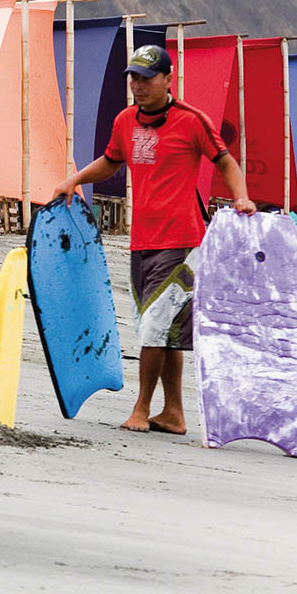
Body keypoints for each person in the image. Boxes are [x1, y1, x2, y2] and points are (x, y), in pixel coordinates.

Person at [51, 43, 255, 434]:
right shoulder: (125, 121)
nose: (137, 85)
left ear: (167, 79)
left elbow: (225, 161)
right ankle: (174, 412)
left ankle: (141, 409)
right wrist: (74, 179)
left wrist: (241, 197)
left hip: (182, 241)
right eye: (133, 78)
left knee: (154, 329)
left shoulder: (192, 120)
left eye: (146, 78)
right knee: (163, 330)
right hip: (141, 239)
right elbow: (112, 160)